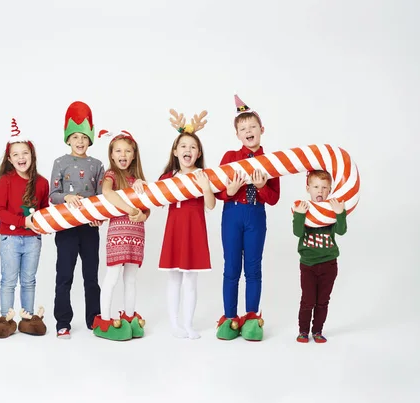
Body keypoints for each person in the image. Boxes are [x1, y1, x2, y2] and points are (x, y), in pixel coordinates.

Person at [215, 94, 280, 341]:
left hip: (256, 215)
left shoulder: (272, 162)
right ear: (237, 134)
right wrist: (228, 192)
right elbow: (218, 190)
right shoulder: (229, 157)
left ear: (261, 129)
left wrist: (262, 187)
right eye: (243, 128)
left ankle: (252, 318)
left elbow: (273, 198)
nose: (248, 131)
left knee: (253, 268)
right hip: (232, 214)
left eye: (252, 126)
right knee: (231, 267)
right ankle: (230, 318)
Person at [50, 101, 105, 339]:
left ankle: (94, 319)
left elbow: (103, 198)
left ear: (90, 139)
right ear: (68, 139)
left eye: (84, 137)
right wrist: (66, 196)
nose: (80, 141)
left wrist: (99, 218)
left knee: (91, 276)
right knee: (64, 275)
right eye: (75, 137)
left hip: (89, 229)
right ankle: (63, 322)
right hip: (66, 228)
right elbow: (52, 195)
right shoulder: (60, 163)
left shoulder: (97, 165)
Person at [158, 110, 215, 339]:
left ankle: (189, 324)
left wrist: (206, 187)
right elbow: (156, 197)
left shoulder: (204, 175)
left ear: (198, 153)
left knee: (191, 279)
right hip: (174, 231)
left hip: (194, 232)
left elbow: (210, 205)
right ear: (175, 151)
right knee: (174, 278)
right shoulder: (169, 177)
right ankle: (175, 324)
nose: (187, 150)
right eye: (183, 146)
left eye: (192, 147)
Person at [0, 118, 49, 338]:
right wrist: (21, 221)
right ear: (9, 159)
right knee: (8, 280)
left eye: (25, 153)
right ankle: (5, 319)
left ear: (32, 155)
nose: (21, 158)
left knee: (29, 280)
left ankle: (28, 318)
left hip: (33, 239)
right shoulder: (6, 181)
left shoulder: (41, 183)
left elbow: (44, 210)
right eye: (16, 154)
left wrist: (46, 225)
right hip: (10, 238)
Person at [92, 130, 149, 341]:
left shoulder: (138, 180)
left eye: (127, 151)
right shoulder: (111, 175)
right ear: (112, 154)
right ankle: (106, 320)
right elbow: (107, 193)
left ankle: (129, 316)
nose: (122, 154)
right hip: (117, 234)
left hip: (136, 234)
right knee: (112, 277)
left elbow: (147, 208)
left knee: (131, 279)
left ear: (134, 154)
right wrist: (130, 209)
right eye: (118, 151)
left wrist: (141, 214)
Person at [293, 170, 347, 343]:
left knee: (323, 301)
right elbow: (297, 232)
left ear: (330, 190)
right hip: (308, 264)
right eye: (316, 187)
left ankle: (317, 331)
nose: (320, 191)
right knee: (308, 300)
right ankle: (303, 331)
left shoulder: (331, 210)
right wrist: (300, 215)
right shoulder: (303, 208)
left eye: (324, 187)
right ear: (308, 188)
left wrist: (340, 213)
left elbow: (341, 230)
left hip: (329, 264)